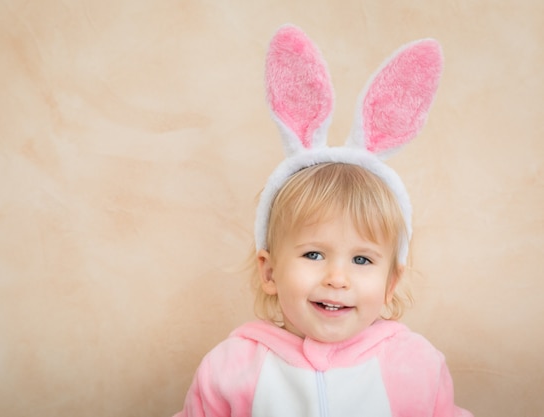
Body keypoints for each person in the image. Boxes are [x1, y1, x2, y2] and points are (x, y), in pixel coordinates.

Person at [173, 25, 473, 417]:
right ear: (270, 272)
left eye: (362, 260)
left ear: (391, 283)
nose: (337, 277)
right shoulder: (230, 370)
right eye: (314, 254)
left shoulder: (414, 366)